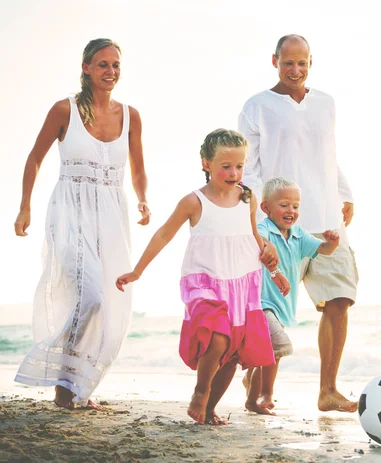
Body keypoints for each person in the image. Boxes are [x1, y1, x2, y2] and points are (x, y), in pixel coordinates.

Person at [116, 129, 289, 425]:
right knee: (218, 336)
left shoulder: (247, 197)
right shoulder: (194, 201)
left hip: (242, 283)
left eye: (239, 166)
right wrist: (137, 270)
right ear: (206, 163)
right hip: (205, 281)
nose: (234, 173)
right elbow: (164, 234)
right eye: (226, 166)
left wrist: (274, 270)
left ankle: (209, 409)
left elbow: (253, 236)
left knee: (234, 353)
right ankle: (200, 390)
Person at [13, 38, 151, 410]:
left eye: (116, 65)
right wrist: (24, 206)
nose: (111, 72)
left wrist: (141, 198)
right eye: (103, 64)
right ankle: (63, 386)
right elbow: (34, 159)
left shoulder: (130, 116)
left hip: (111, 214)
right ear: (86, 68)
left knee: (109, 302)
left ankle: (79, 384)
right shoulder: (64, 110)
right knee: (88, 294)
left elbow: (138, 168)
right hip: (70, 210)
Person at [238, 34, 359, 412]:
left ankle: (328, 391)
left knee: (340, 298)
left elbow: (328, 152)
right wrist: (260, 224)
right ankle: (260, 387)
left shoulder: (326, 104)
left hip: (325, 220)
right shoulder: (257, 106)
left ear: (311, 63)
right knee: (274, 312)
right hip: (280, 226)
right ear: (274, 60)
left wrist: (345, 192)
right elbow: (248, 169)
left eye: (302, 62)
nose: (295, 70)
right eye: (288, 62)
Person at [243, 177, 340, 415]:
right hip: (261, 302)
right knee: (275, 348)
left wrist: (332, 243)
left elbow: (323, 250)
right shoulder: (265, 228)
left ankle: (259, 393)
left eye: (295, 206)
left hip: (282, 305)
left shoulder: (298, 235)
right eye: (284, 205)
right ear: (266, 208)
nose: (291, 211)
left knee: (269, 354)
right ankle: (259, 395)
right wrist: (266, 243)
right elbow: (253, 235)